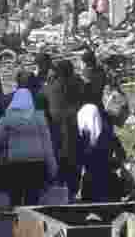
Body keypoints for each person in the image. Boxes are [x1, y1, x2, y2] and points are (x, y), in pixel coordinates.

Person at [0, 85, 58, 208]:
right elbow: (47, 144)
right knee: (32, 201)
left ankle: (17, 223)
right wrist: (52, 167)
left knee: (15, 198)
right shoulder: (39, 117)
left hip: (15, 164)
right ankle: (31, 224)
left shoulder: (7, 118)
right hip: (37, 165)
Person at [43, 59, 83, 199]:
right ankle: (72, 192)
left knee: (60, 164)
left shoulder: (50, 88)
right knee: (74, 163)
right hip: (75, 130)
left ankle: (60, 193)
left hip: (57, 132)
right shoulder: (78, 85)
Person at [75, 103, 125, 203]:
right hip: (110, 182)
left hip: (90, 185)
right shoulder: (109, 134)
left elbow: (78, 162)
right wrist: (111, 164)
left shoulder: (80, 138)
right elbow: (122, 155)